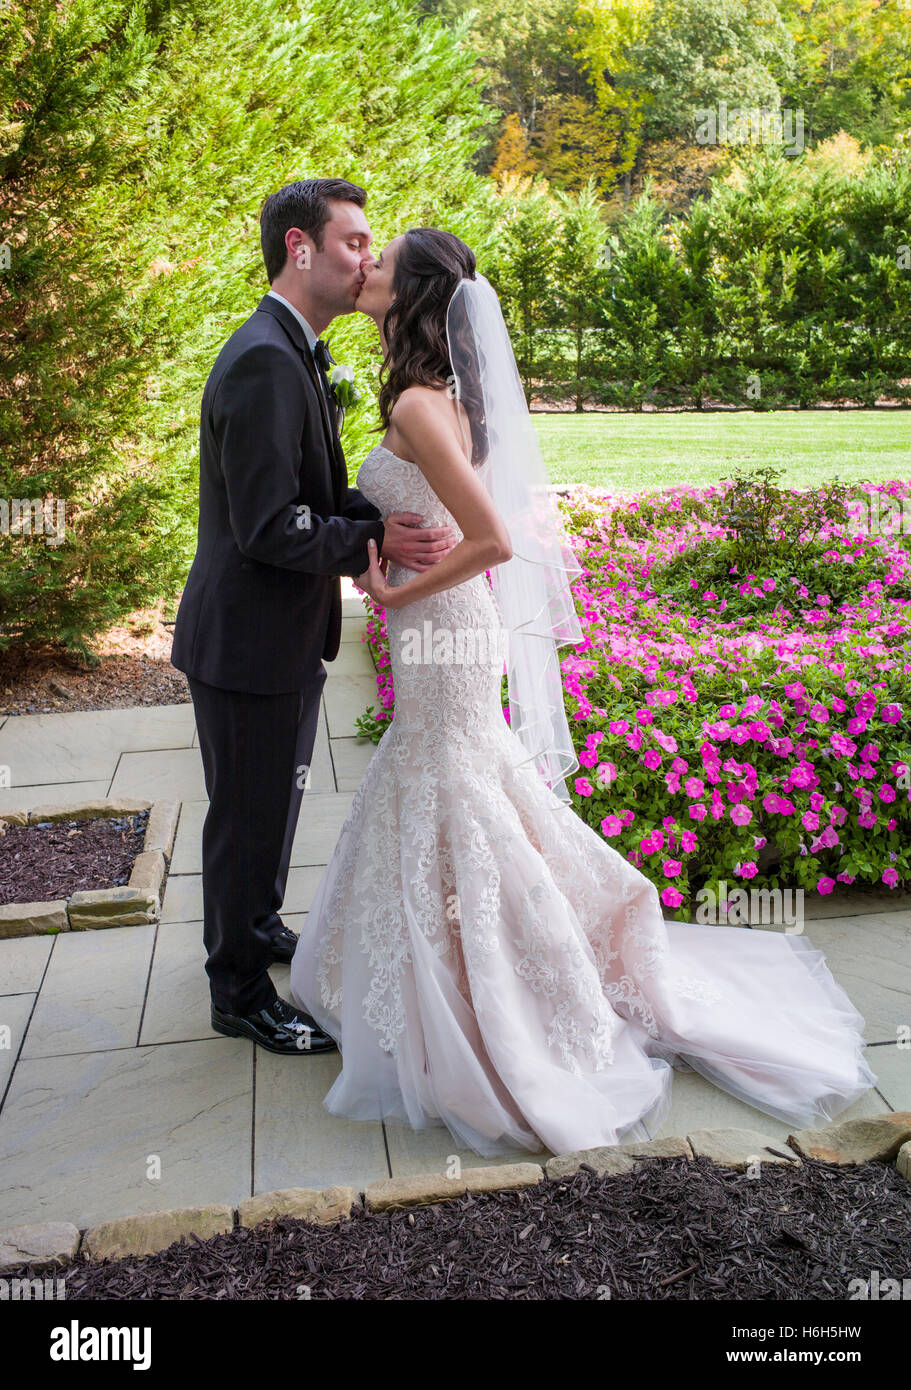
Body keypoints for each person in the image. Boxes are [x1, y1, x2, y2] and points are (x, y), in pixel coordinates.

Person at [287, 225, 877, 1159]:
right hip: (445, 625)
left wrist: (398, 588)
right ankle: (477, 972)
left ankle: (515, 996)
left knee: (454, 792)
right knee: (459, 787)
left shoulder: (417, 404)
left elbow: (490, 542)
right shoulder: (441, 396)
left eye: (382, 264)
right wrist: (382, 549)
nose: (366, 270)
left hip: (444, 629)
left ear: (413, 299)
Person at [170, 179, 457, 1056]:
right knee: (247, 814)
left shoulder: (293, 349)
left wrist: (372, 526)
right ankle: (240, 990)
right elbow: (269, 525)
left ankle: (254, 929)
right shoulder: (264, 358)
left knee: (269, 808)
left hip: (278, 633)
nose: (369, 258)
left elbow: (311, 495)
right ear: (300, 248)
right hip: (246, 637)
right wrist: (370, 540)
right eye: (353, 242)